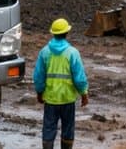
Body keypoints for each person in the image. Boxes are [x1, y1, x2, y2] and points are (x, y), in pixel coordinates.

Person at [34, 18, 89, 149]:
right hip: (68, 99)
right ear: (66, 33)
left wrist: (39, 92)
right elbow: (79, 78)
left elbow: (38, 76)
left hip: (51, 99)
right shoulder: (72, 53)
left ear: (53, 33)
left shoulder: (45, 52)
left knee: (48, 129)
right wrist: (84, 94)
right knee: (68, 129)